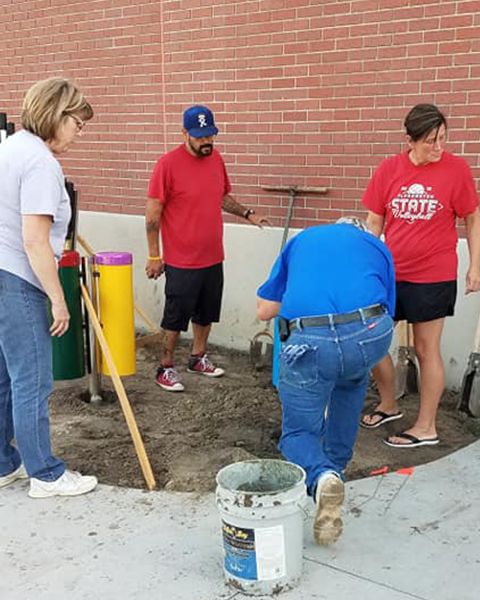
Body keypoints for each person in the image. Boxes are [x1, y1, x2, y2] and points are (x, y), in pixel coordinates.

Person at [256, 217, 395, 545]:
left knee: (298, 432)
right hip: (369, 335)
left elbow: (264, 310)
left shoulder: (303, 240)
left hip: (311, 341)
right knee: (352, 378)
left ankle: (322, 477)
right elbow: (386, 306)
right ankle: (336, 472)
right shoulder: (377, 245)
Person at [360, 103, 480, 448]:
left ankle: (426, 426)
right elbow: (374, 222)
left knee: (426, 349)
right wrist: (369, 267)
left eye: (443, 138)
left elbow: (473, 218)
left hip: (434, 274)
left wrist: (475, 265)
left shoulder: (456, 170)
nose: (439, 147)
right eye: (431, 140)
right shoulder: (389, 170)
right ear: (409, 140)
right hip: (390, 273)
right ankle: (388, 404)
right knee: (371, 342)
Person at [0, 77, 98, 498]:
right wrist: (58, 300)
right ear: (57, 115)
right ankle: (46, 474)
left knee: (5, 377)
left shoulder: (9, 148)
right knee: (32, 380)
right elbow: (35, 240)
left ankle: (5, 464)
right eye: (77, 122)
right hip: (19, 279)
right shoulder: (40, 162)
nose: (80, 132)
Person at [145, 105, 269, 392]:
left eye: (210, 135)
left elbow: (221, 196)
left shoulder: (216, 160)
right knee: (175, 316)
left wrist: (248, 213)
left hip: (212, 256)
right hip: (181, 259)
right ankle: (165, 367)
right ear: (185, 133)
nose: (206, 142)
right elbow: (152, 215)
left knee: (206, 313)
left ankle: (197, 357)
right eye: (200, 137)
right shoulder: (167, 164)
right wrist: (154, 256)